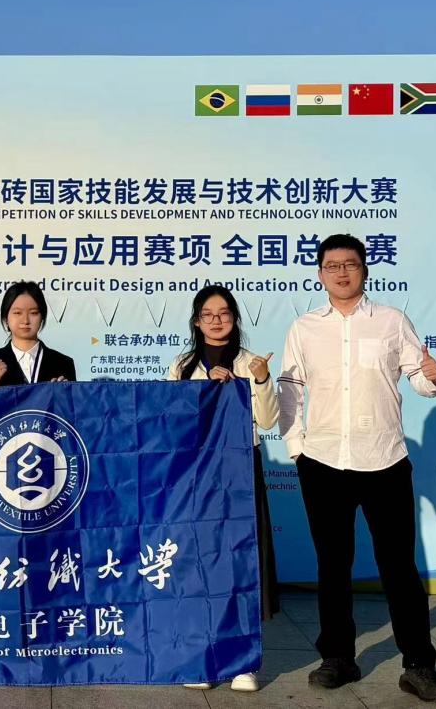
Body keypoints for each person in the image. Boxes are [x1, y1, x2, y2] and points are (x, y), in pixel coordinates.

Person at [277, 234, 436, 703]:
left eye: (350, 264)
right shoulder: (304, 327)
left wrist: (435, 378)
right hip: (323, 461)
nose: (341, 272)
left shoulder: (392, 321)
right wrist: (297, 448)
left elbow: (419, 377)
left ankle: (418, 666)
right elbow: (291, 390)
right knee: (333, 566)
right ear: (320, 273)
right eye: (332, 265)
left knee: (399, 568)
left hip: (384, 460)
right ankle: (338, 658)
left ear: (365, 270)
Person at [170, 285, 278, 694]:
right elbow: (172, 421)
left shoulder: (252, 362)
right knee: (200, 564)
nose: (217, 320)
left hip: (240, 471)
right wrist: (204, 392)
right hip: (198, 475)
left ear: (235, 319)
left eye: (224, 313)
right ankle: (203, 657)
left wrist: (260, 381)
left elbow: (268, 420)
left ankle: (243, 662)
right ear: (197, 322)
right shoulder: (182, 366)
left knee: (240, 563)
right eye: (208, 314)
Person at [0, 281, 75, 387]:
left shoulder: (63, 363)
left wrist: (64, 392)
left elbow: (73, 398)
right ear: (6, 318)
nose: (25, 320)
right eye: (17, 313)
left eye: (33, 313)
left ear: (42, 317)